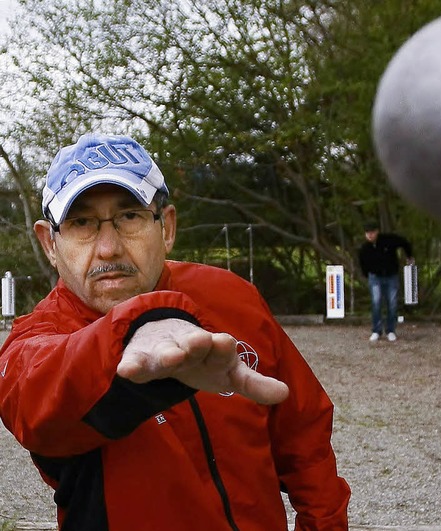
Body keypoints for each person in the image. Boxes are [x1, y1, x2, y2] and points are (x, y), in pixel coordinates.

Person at [0, 134, 350, 530]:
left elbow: (305, 437)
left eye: (129, 216)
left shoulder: (232, 297)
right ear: (50, 242)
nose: (109, 248)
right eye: (82, 222)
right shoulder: (38, 338)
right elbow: (33, 400)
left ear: (165, 226)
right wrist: (136, 327)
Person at [358, 221, 413, 342]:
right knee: (376, 302)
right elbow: (362, 263)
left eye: (372, 232)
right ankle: (376, 330)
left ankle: (391, 330)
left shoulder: (389, 240)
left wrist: (409, 256)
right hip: (375, 277)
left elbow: (403, 242)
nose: (370, 235)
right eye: (367, 233)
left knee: (392, 303)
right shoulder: (365, 248)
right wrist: (367, 274)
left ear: (377, 231)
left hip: (391, 276)